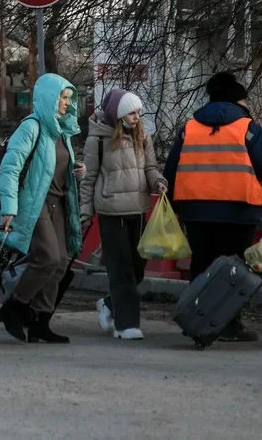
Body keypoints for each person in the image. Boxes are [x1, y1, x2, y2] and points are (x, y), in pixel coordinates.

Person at [164, 71, 262, 342]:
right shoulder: (247, 126)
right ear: (238, 100)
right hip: (238, 210)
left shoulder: (190, 127)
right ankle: (228, 325)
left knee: (202, 265)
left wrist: (174, 203)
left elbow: (171, 168)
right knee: (233, 268)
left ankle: (196, 320)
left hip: (196, 210)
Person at [0, 73, 85, 344]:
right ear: (48, 98)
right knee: (48, 257)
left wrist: (78, 172)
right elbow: (9, 168)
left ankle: (41, 322)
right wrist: (9, 208)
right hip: (35, 204)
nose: (66, 103)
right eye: (62, 98)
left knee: (61, 263)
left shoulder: (61, 130)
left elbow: (56, 168)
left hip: (57, 202)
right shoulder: (31, 127)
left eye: (68, 98)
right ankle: (15, 307)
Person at [79, 88, 167, 340]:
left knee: (138, 269)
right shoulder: (97, 140)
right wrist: (86, 211)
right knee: (121, 270)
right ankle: (126, 325)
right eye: (131, 112)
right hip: (111, 211)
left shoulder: (143, 136)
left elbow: (150, 167)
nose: (136, 116)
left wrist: (158, 182)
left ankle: (108, 304)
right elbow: (89, 178)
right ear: (118, 114)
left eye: (138, 111)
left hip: (138, 209)